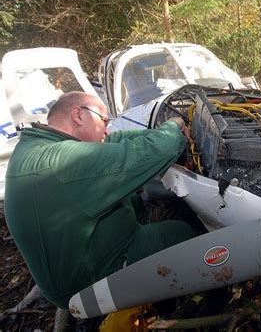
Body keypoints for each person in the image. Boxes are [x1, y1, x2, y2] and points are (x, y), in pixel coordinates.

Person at [4, 91, 196, 309]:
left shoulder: (37, 146)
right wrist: (172, 126)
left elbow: (111, 141)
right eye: (104, 121)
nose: (107, 129)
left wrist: (153, 132)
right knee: (182, 232)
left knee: (135, 201)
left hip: (68, 267)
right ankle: (190, 301)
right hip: (87, 282)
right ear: (78, 115)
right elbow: (155, 151)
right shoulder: (65, 161)